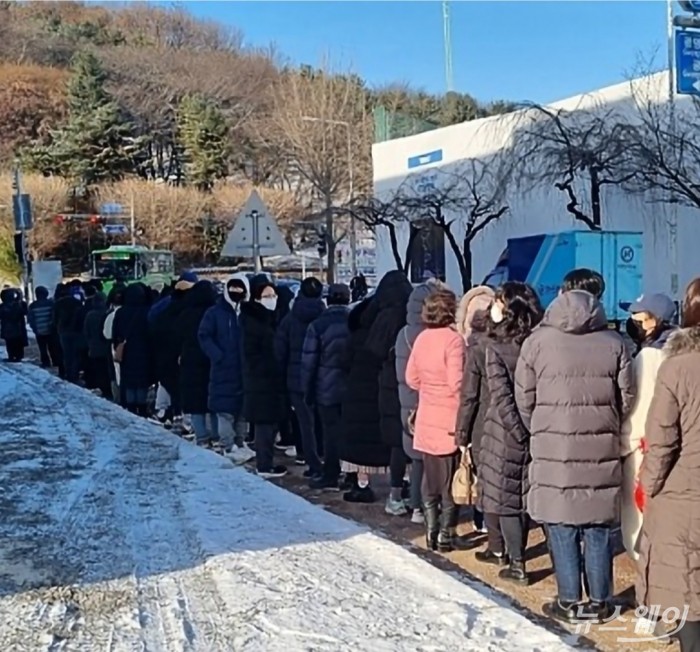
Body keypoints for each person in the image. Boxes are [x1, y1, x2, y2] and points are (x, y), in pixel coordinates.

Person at [515, 273, 635, 623]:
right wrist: (607, 422)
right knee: (597, 526)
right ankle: (600, 601)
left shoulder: (537, 342)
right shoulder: (615, 342)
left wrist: (540, 426)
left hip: (553, 444)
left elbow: (524, 397)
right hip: (601, 444)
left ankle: (569, 600)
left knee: (561, 524)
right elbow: (626, 396)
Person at [637, 278, 700, 652]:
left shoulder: (676, 367)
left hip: (683, 495)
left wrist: (650, 485)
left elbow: (661, 439)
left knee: (688, 590)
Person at [473, 282, 543, 583]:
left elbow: (501, 396)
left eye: (500, 302)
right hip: (536, 428)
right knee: (524, 497)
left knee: (507, 500)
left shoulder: (496, 347)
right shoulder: (539, 342)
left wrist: (518, 431)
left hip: (505, 434)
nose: (494, 307)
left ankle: (517, 563)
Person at [340, 270, 411, 504]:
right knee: (402, 439)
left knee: (363, 440)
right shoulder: (410, 328)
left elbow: (345, 360)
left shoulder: (364, 321)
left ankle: (362, 485)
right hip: (400, 392)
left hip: (362, 393)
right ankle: (407, 484)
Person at [406, 288, 464, 552]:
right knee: (449, 480)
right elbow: (457, 383)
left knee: (430, 478)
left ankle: (430, 531)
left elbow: (411, 378)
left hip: (427, 414)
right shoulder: (453, 341)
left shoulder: (421, 339)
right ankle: (446, 534)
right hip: (449, 417)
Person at [620, 293, 676, 561]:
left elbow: (638, 411)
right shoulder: (679, 351)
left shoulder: (649, 357)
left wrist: (623, 446)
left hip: (644, 449)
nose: (631, 323)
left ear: (655, 322)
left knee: (637, 523)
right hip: (675, 448)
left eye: (638, 318)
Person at [395, 282, 441, 524]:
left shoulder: (402, 334)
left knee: (416, 460)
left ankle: (416, 508)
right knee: (434, 461)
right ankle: (432, 507)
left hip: (408, 404)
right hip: (431, 403)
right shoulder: (436, 335)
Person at [198, 276, 254, 462]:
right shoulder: (214, 313)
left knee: (242, 411)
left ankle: (240, 442)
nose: (236, 293)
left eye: (240, 289)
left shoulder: (248, 312)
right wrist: (218, 355)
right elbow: (204, 336)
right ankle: (227, 445)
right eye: (233, 289)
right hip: (223, 369)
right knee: (225, 411)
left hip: (244, 369)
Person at [455, 284, 496, 536]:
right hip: (502, 418)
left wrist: (462, 433)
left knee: (480, 471)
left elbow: (468, 395)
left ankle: (481, 520)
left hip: (479, 419)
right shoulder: (507, 344)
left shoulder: (470, 349)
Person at [302, 283, 352, 491]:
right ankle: (352, 475)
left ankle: (330, 474)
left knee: (330, 433)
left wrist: (307, 390)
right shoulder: (355, 322)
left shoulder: (317, 325)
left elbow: (308, 362)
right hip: (351, 386)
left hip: (326, 387)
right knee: (350, 433)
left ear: (328, 299)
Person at [275, 277, 326, 479]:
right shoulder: (324, 317)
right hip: (322, 377)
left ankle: (312, 462)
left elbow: (280, 351)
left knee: (306, 423)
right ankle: (329, 460)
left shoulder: (289, 319)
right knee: (326, 423)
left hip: (296, 379)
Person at [240, 279, 288, 478]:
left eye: (274, 296)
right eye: (267, 296)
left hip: (269, 380)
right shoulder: (253, 321)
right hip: (262, 379)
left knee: (269, 422)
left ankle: (266, 462)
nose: (272, 300)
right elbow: (253, 353)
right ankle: (264, 465)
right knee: (264, 424)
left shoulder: (269, 318)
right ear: (257, 298)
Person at [175, 280, 218, 446]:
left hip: (190, 360)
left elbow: (178, 336)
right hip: (211, 359)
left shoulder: (186, 313)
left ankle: (201, 437)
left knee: (195, 401)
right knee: (212, 398)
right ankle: (216, 436)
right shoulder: (214, 312)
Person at [112, 283, 154, 415]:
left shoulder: (120, 312)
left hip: (126, 351)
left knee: (129, 380)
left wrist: (117, 346)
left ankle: (130, 406)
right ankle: (141, 406)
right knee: (141, 380)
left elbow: (115, 333)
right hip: (144, 350)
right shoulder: (147, 311)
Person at [54, 281, 87, 383]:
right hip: (76, 330)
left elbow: (55, 318)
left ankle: (68, 374)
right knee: (76, 354)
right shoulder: (76, 302)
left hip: (63, 331)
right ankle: (75, 374)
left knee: (67, 354)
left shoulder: (58, 303)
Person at [83, 292, 112, 400]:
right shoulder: (107, 314)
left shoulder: (90, 315)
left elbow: (86, 332)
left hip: (94, 349)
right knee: (108, 370)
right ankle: (110, 390)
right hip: (107, 349)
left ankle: (104, 390)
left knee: (100, 371)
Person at [27, 286, 56, 368]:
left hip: (39, 330)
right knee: (52, 347)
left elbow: (31, 319)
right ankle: (55, 360)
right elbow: (53, 316)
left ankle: (45, 362)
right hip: (50, 330)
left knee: (42, 348)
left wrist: (34, 328)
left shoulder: (33, 305)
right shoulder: (51, 304)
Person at [0, 288, 28, 362]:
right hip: (17, 329)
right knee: (17, 343)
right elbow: (25, 311)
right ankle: (17, 356)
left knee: (10, 344)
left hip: (8, 329)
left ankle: (12, 356)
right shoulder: (18, 304)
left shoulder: (3, 306)